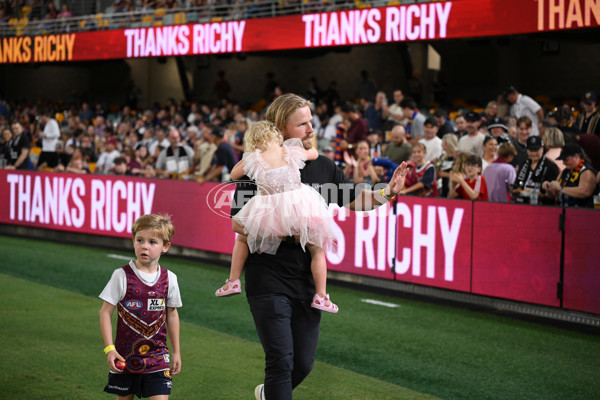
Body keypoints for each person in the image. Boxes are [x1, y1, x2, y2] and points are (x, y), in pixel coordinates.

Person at [229, 93, 408, 400]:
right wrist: (289, 229)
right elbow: (237, 222)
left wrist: (388, 192)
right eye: (303, 124)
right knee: (281, 361)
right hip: (267, 277)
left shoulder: (322, 166)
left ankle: (266, 395)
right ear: (281, 128)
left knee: (302, 364)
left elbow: (356, 201)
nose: (311, 129)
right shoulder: (255, 168)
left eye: (311, 122)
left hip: (306, 281)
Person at [216, 120, 340, 316]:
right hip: (297, 205)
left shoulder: (255, 159)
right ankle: (321, 295)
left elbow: (233, 173)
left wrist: (250, 156)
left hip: (267, 209)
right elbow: (314, 154)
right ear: (277, 137)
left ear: (254, 142)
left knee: (242, 238)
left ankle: (233, 281)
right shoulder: (289, 151)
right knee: (316, 248)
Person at [99, 214, 182, 399]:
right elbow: (105, 312)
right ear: (133, 241)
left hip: (158, 358)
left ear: (165, 246)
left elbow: (172, 315)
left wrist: (176, 352)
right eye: (140, 240)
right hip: (125, 358)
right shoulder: (121, 276)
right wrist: (109, 349)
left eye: (152, 242)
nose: (144, 246)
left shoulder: (170, 279)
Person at [542, 143, 597, 208]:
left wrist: (561, 189)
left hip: (582, 214)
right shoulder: (565, 171)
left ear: (576, 157)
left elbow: (585, 192)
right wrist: (549, 187)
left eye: (566, 160)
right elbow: (555, 191)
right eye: (562, 160)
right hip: (562, 211)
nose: (563, 163)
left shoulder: (586, 171)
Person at [512, 136, 559, 204]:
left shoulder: (551, 166)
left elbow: (554, 194)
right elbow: (518, 184)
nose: (533, 153)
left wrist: (543, 195)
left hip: (543, 207)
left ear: (542, 149)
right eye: (531, 150)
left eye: (536, 150)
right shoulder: (524, 164)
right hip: (522, 204)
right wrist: (515, 190)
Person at [437, 133, 459, 198]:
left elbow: (456, 173)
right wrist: (437, 166)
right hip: (442, 186)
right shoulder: (442, 157)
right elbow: (437, 165)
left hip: (452, 187)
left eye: (443, 142)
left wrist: (443, 173)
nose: (441, 144)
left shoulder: (457, 158)